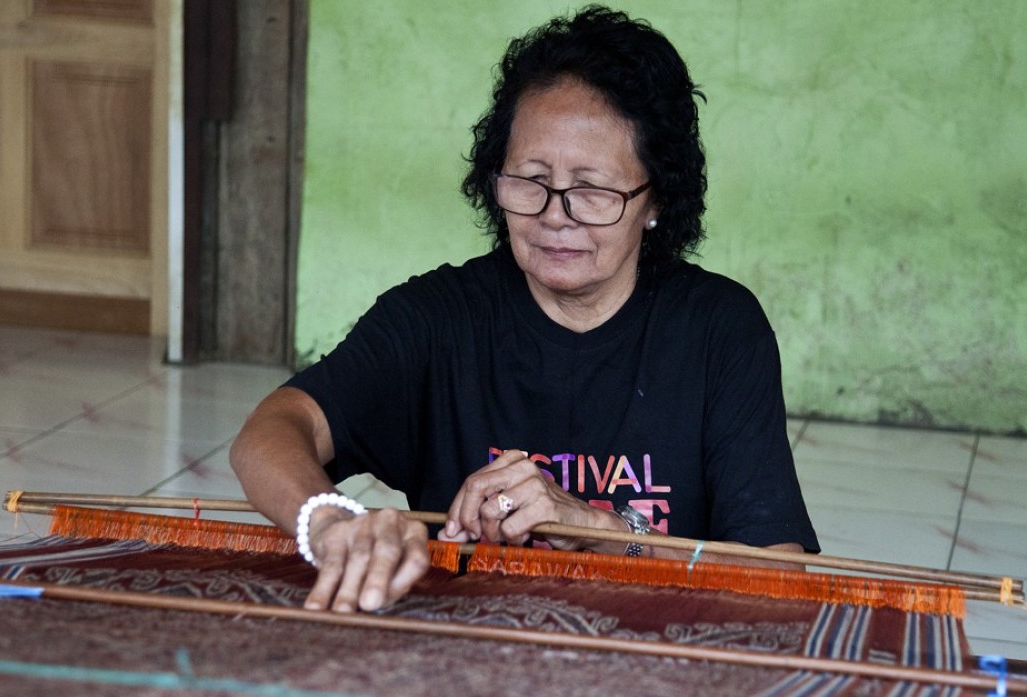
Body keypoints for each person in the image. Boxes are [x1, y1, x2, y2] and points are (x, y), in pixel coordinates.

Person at [230, 5, 818, 614]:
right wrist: (329, 522)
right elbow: (271, 432)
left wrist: (598, 529)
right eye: (530, 180)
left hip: (654, 653)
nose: (555, 215)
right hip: (465, 652)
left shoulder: (718, 329)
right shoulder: (440, 320)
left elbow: (776, 577)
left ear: (656, 200)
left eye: (592, 190)